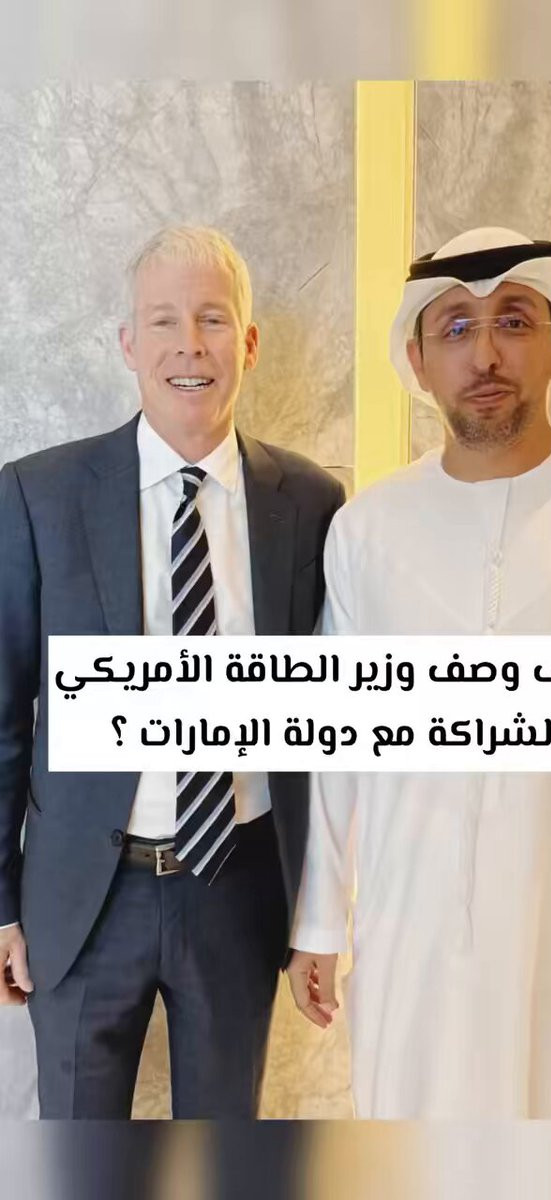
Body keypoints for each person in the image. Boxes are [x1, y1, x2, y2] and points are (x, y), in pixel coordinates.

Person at [288, 227, 551, 1118]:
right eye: (455, 328)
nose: (486, 354)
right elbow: (337, 745)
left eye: (513, 321)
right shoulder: (369, 528)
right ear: (418, 362)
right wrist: (318, 921)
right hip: (414, 944)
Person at [0, 225, 345, 1118]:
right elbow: (3, 715)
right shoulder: (38, 495)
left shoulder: (312, 503)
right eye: (163, 321)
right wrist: (0, 905)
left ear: (249, 343)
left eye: (212, 320)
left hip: (238, 888)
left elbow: (329, 728)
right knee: (78, 1159)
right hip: (82, 897)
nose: (189, 345)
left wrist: (323, 913)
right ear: (129, 343)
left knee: (224, 1152)